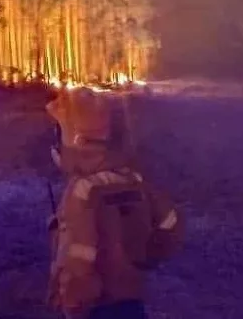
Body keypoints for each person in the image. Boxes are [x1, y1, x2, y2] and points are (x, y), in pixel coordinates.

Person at [46, 89, 182, 319]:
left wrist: (72, 304)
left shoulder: (83, 190)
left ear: (76, 138)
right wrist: (141, 257)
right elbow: (171, 223)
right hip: (132, 300)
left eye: (61, 131)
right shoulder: (132, 178)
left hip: (98, 307)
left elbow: (78, 260)